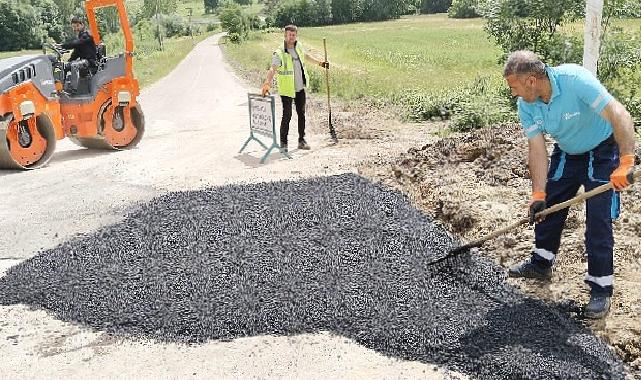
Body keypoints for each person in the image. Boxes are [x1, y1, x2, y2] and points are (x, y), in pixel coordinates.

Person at [503, 50, 636, 319]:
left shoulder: (575, 80)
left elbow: (619, 114)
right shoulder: (526, 105)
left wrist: (626, 162)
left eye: (514, 87)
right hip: (567, 152)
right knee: (547, 207)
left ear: (531, 80)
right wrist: (538, 192)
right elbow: (537, 149)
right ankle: (541, 262)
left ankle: (601, 289)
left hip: (601, 151)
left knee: (598, 220)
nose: (513, 94)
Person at [261, 24, 329, 152]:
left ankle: (301, 141)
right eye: (289, 35)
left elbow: (306, 57)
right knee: (287, 116)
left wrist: (320, 63)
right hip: (287, 90)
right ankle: (283, 144)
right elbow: (273, 69)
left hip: (300, 88)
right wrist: (267, 83)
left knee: (301, 114)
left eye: (294, 35)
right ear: (285, 35)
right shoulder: (279, 52)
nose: (292, 37)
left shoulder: (299, 46)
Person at [57, 16, 98, 93]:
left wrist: (62, 45)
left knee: (74, 65)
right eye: (73, 27)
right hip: (83, 61)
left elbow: (76, 43)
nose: (75, 29)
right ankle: (60, 89)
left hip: (89, 61)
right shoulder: (81, 36)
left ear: (82, 25)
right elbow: (76, 52)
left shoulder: (87, 35)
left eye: (77, 26)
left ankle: (73, 89)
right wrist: (69, 61)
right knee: (64, 66)